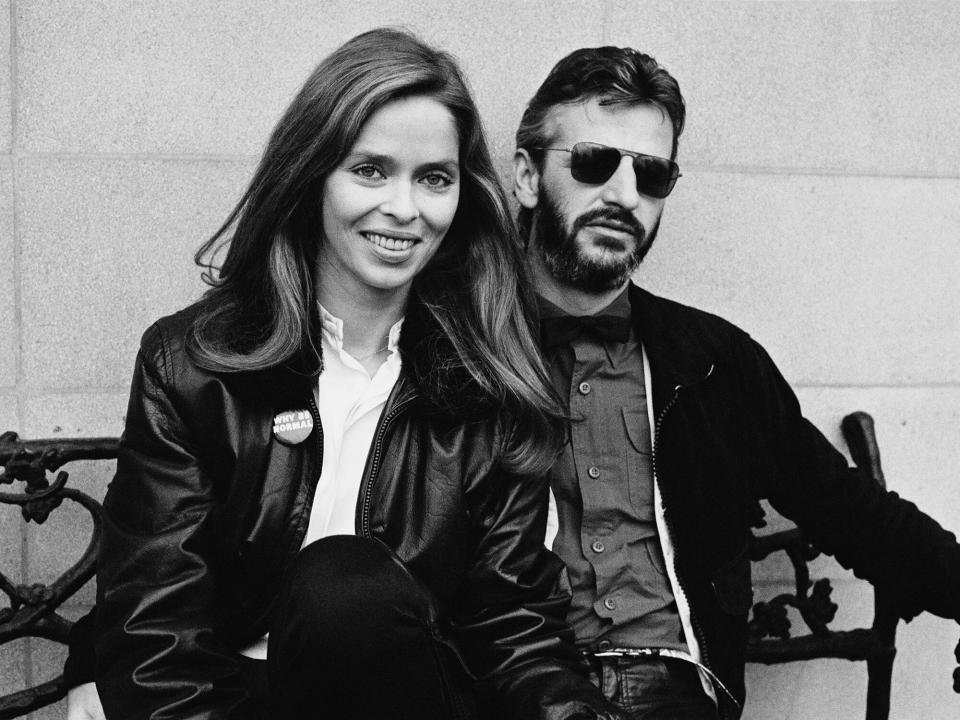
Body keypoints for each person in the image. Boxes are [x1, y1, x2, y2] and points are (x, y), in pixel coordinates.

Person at [63, 28, 624, 720]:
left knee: (346, 588)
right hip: (228, 701)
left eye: (434, 178)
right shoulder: (194, 365)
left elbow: (512, 623)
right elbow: (156, 623)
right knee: (338, 582)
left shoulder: (488, 383)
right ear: (313, 175)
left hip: (407, 698)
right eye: (370, 171)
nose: (404, 208)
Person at [512, 45, 960, 720]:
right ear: (525, 175)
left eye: (652, 174)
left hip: (674, 691)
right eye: (594, 162)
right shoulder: (458, 351)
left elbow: (853, 511)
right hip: (513, 686)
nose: (624, 195)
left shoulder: (714, 363)